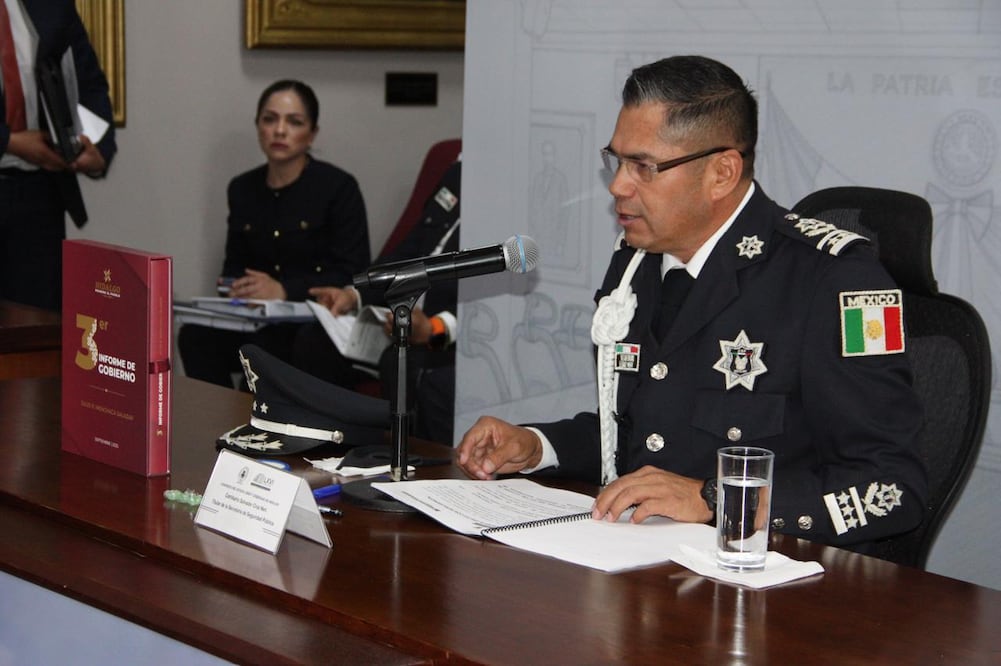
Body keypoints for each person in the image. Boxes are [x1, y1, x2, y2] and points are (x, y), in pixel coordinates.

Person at [456, 55, 928, 551]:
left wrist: (720, 497)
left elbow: (893, 489)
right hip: (656, 568)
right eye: (616, 160)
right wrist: (538, 447)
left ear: (722, 173)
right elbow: (651, 431)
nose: (618, 185)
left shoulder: (834, 280)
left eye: (644, 166)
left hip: (780, 589)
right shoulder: (638, 261)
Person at [178, 79, 370, 389]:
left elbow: (353, 271)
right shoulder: (242, 188)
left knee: (269, 349)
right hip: (256, 318)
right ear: (258, 126)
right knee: (195, 334)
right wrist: (238, 287)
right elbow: (233, 267)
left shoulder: (338, 187)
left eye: (294, 122)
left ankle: (260, 427)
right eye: (270, 119)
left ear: (312, 133)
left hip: (312, 323)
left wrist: (283, 290)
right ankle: (220, 420)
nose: (280, 131)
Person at [293, 159, 461, 444]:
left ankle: (412, 467)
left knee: (400, 361)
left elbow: (498, 305)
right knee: (313, 341)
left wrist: (434, 330)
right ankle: (322, 449)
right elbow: (410, 249)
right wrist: (354, 294)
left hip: (450, 335)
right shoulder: (457, 170)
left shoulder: (513, 190)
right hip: (397, 319)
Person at [0, 0, 116, 310]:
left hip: (38, 197)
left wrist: (94, 147)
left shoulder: (50, 5)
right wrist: (10, 142)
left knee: (38, 330)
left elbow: (89, 83)